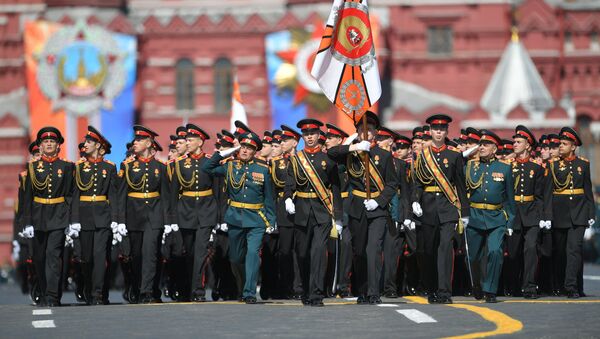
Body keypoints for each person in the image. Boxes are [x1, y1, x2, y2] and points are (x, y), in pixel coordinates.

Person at [328, 111, 398, 305]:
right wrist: (353, 147)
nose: (366, 133)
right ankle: (363, 291)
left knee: (373, 249)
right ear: (357, 132)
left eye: (370, 130)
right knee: (358, 251)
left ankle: (374, 292)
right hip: (357, 207)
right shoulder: (353, 152)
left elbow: (392, 183)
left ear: (375, 133)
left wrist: (380, 201)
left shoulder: (383, 156)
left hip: (377, 209)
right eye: (361, 130)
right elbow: (331, 153)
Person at [203, 132, 276, 304]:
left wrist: (270, 221)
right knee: (235, 258)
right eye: (242, 147)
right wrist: (226, 152)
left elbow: (268, 197)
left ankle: (249, 292)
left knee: (252, 254)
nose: (244, 151)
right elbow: (207, 168)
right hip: (235, 218)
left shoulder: (263, 169)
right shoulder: (229, 166)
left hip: (256, 218)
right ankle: (243, 286)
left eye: (249, 148)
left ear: (255, 151)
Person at [411, 114, 469, 304]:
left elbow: (460, 185)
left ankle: (445, 291)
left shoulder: (454, 156)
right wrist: (415, 201)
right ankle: (432, 289)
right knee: (429, 251)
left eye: (442, 129)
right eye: (435, 129)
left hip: (448, 207)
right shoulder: (422, 156)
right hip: (427, 207)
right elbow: (417, 183)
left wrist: (465, 212)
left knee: (445, 249)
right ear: (430, 131)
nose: (438, 132)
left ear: (446, 132)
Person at [284, 119, 343, 306]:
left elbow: (335, 187)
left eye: (312, 134)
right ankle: (306, 291)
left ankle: (316, 293)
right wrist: (287, 198)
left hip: (322, 211)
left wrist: (338, 216)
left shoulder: (328, 159)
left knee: (318, 251)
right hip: (301, 210)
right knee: (302, 254)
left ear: (319, 136)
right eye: (306, 134)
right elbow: (289, 183)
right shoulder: (295, 159)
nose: (309, 137)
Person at [118, 125, 173, 304]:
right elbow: (121, 195)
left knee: (150, 253)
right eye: (135, 140)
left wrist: (168, 221)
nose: (135, 143)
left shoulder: (161, 167)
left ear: (149, 143)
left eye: (139, 140)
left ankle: (147, 291)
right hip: (134, 215)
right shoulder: (127, 166)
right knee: (136, 255)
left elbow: (166, 196)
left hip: (154, 216)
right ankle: (136, 287)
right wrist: (119, 220)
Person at [21, 127, 74, 307]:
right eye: (45, 142)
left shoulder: (67, 167)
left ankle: (52, 295)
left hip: (58, 216)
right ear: (40, 146)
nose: (49, 144)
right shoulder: (33, 167)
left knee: (53, 256)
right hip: (38, 217)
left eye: (52, 141)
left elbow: (69, 195)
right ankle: (43, 292)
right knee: (39, 258)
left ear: (58, 146)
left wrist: (70, 220)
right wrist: (27, 222)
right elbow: (27, 196)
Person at [465, 129, 516, 303]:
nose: (482, 147)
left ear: (495, 149)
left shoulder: (505, 168)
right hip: (474, 215)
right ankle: (478, 284)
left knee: (495, 252)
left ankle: (490, 289)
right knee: (473, 256)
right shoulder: (470, 166)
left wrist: (510, 223)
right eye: (481, 144)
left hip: (496, 217)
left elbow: (510, 199)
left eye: (486, 144)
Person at [70, 126, 119, 305]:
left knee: (100, 256)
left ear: (99, 145)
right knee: (86, 258)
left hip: (103, 216)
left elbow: (113, 195)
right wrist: (73, 220)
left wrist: (115, 219)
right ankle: (88, 287)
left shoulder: (110, 167)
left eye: (89, 142)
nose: (86, 145)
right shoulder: (79, 167)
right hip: (84, 217)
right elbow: (74, 194)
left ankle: (98, 293)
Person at [502, 126, 552, 299]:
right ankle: (514, 285)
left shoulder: (537, 167)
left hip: (531, 213)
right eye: (514, 141)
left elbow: (541, 195)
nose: (515, 144)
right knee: (513, 252)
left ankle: (529, 287)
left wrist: (543, 216)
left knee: (530, 248)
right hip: (513, 214)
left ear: (528, 146)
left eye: (518, 142)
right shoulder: (508, 166)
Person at [169, 124, 217, 302]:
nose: (186, 143)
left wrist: (218, 216)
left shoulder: (210, 161)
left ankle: (198, 290)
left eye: (190, 140)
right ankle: (189, 287)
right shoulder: (179, 163)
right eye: (186, 140)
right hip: (186, 212)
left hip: (206, 210)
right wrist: (172, 218)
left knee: (201, 252)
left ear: (200, 142)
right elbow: (173, 192)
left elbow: (217, 189)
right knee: (189, 253)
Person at [549, 127, 596, 298]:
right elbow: (548, 193)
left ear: (573, 146)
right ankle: (561, 284)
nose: (560, 146)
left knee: (574, 250)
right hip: (559, 213)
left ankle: (571, 286)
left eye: (564, 144)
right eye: (560, 143)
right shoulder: (553, 165)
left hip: (579, 213)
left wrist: (591, 214)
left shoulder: (583, 164)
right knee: (561, 252)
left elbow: (588, 191)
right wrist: (547, 215)